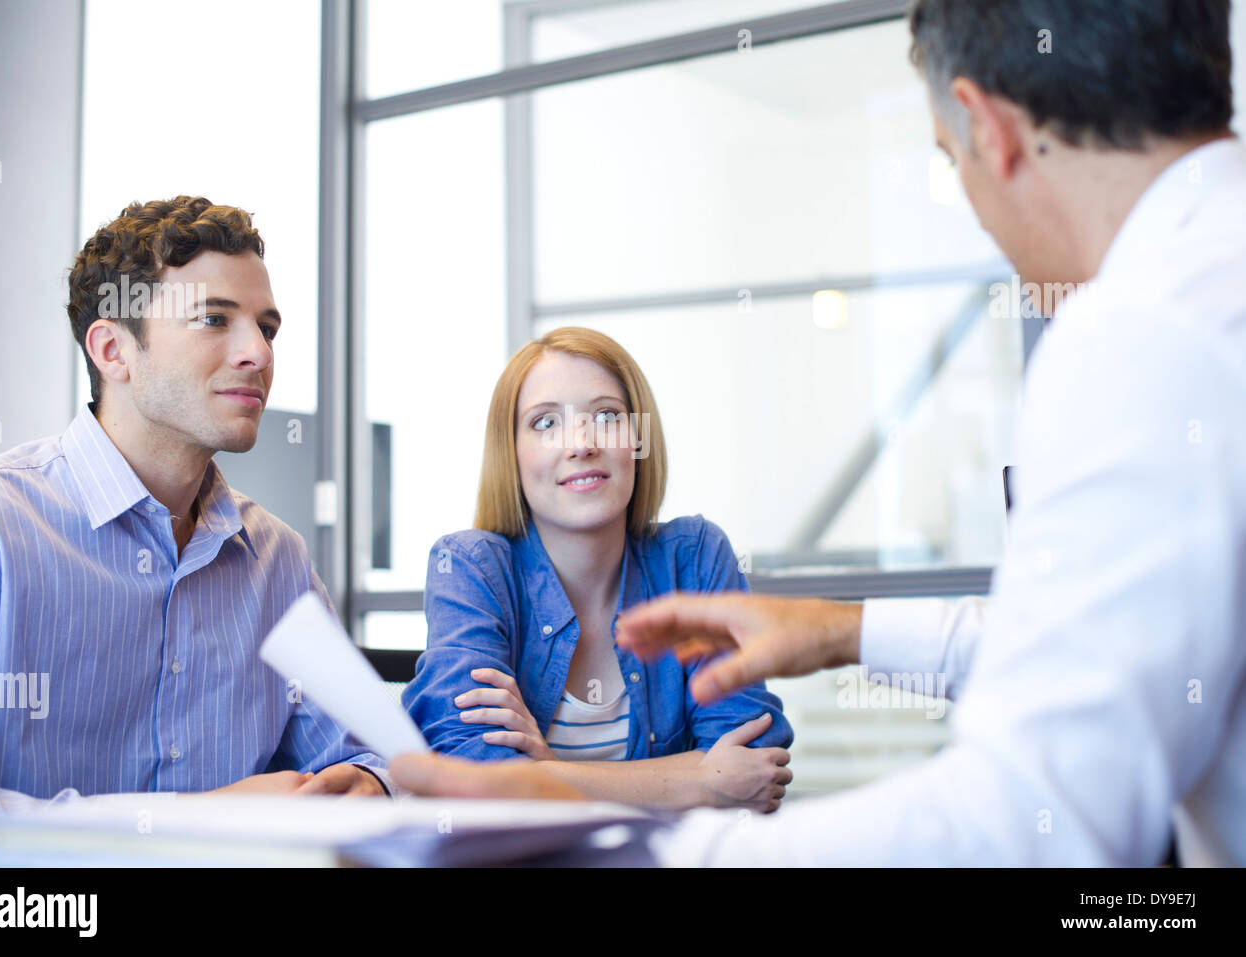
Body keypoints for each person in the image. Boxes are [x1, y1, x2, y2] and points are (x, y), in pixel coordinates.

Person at [392, 0, 1246, 866]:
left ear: (988, 129)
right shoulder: (1196, 295)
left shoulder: (1140, 336)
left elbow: (1033, 813)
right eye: (545, 421)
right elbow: (1097, 653)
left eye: (948, 160)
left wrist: (653, 835)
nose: (579, 441)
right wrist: (846, 632)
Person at [0, 196, 392, 816]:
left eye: (266, 328)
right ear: (113, 351)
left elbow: (367, 756)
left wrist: (368, 782)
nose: (260, 354)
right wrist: (194, 822)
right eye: (213, 319)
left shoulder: (279, 560)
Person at [400, 327, 793, 812]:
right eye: (546, 422)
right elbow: (467, 773)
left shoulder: (694, 557)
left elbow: (753, 765)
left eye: (607, 416)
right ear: (511, 454)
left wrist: (547, 774)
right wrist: (698, 781)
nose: (582, 445)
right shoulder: (470, 567)